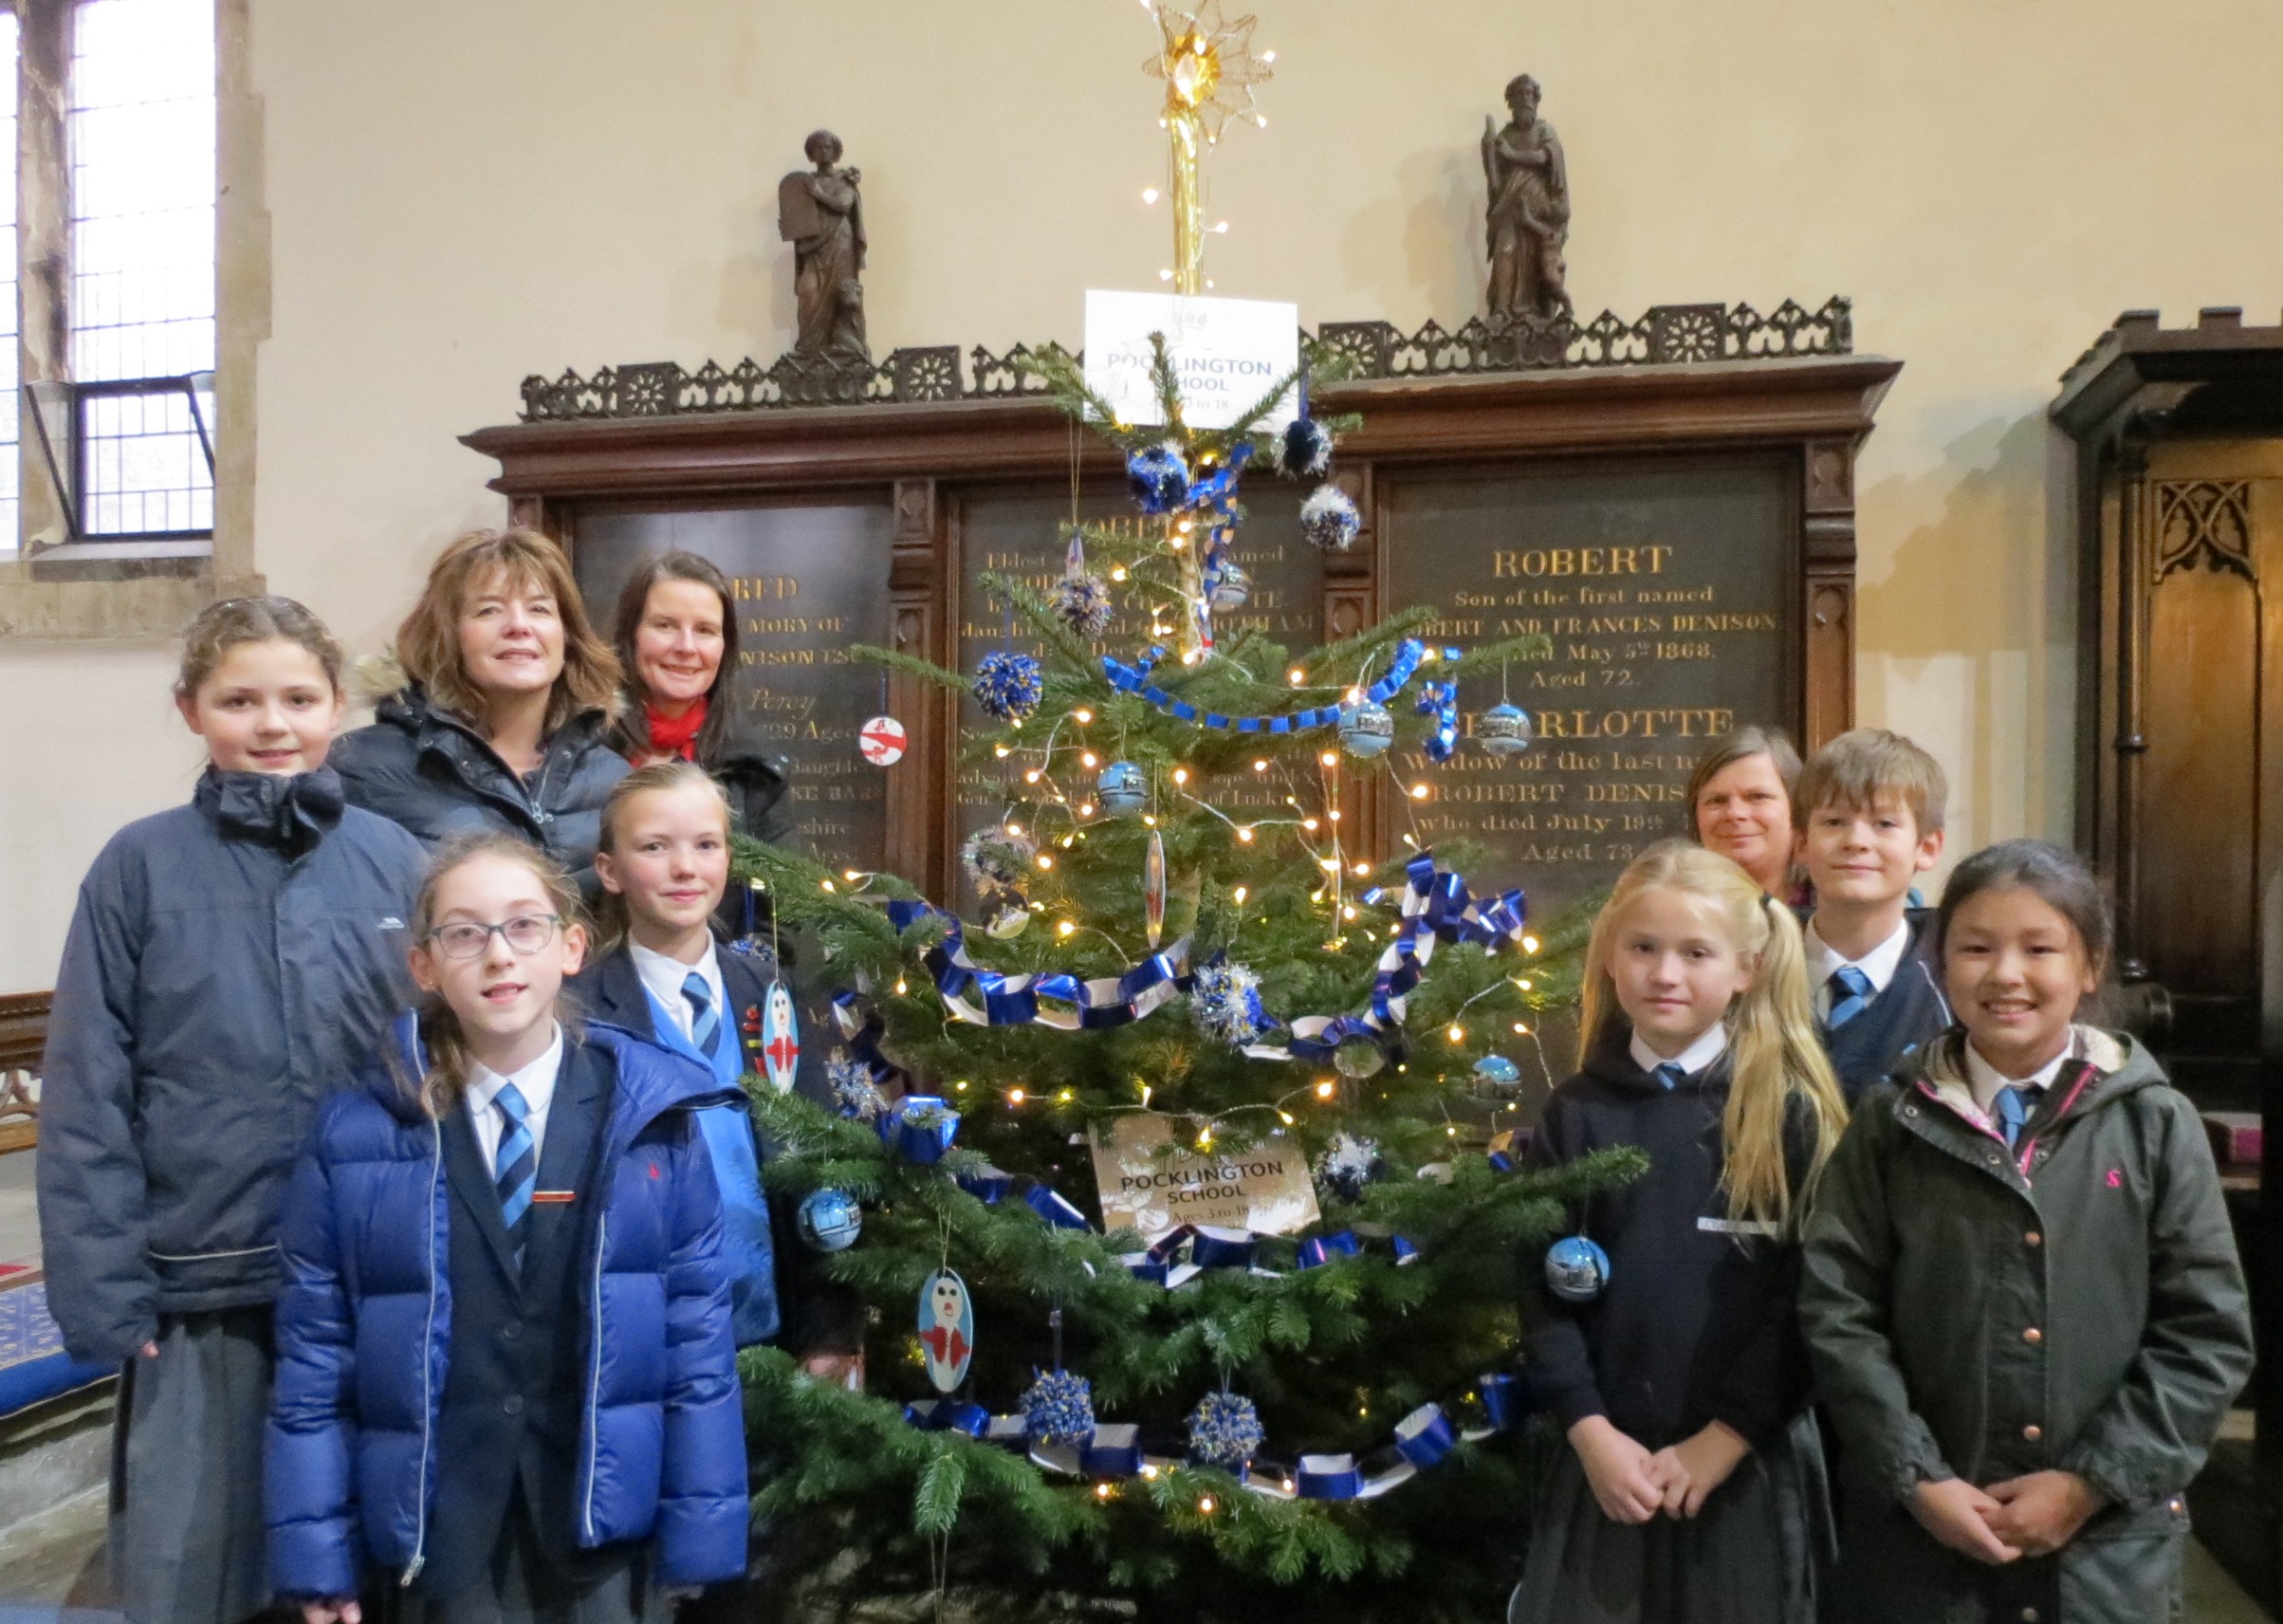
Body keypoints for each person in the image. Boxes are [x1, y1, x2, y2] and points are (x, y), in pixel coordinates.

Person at [38, 596, 427, 1624]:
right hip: (199, 1278)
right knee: (198, 1566)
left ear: (337, 705)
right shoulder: (139, 866)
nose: (272, 723)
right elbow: (88, 1089)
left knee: (364, 1558)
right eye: (239, 699)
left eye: (299, 697)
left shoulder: (393, 858)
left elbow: (443, 1063)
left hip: (366, 1277)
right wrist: (107, 1295)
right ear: (190, 711)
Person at [266, 833, 747, 1623]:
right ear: (424, 966)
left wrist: (699, 1533)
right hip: (440, 1523)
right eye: (464, 933)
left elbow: (696, 1346)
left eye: (524, 926)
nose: (498, 956)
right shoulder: (356, 1135)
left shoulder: (650, 1122)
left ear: (571, 946)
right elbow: (318, 1358)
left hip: (598, 1516)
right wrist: (318, 1552)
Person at [1799, 840, 2253, 1623]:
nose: (2005, 974)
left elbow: (2204, 1333)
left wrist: (2087, 1484)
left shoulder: (2151, 1122)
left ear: (2090, 965)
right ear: (1940, 964)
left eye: (2038, 948)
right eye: (1975, 948)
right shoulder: (1889, 1122)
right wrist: (1917, 1476)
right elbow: (1838, 1312)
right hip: (1921, 1540)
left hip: (2106, 1550)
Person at [1512, 840, 1848, 1624]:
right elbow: (1541, 1287)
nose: (1664, 974)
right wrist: (1589, 1431)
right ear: (1610, 957)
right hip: (1604, 1464)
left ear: (1748, 967)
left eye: (1695, 952)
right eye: (1643, 948)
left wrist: (1723, 1439)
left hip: (1744, 1466)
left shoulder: (1786, 1114)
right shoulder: (1574, 1112)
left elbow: (1810, 1303)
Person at [331, 526, 630, 893]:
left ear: (567, 635)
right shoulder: (360, 766)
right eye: (489, 610)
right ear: (448, 635)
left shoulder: (614, 779)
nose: (519, 626)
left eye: (539, 608)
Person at [1793, 729, 1950, 1104]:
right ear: (1801, 844)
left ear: (1926, 848)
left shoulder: (1951, 985)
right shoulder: (1754, 967)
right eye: (1834, 822)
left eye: (1884, 824)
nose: (1856, 841)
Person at [604, 550, 791, 847]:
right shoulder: (580, 750)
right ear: (630, 636)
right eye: (665, 625)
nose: (686, 647)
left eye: (705, 630)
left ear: (724, 648)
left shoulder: (755, 771)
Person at [1685, 726, 1805, 903]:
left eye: (1757, 797)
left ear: (1797, 808)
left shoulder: (1835, 912)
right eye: (1717, 800)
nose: (1734, 813)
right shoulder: (1668, 917)